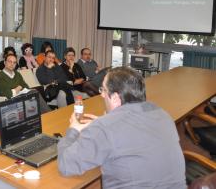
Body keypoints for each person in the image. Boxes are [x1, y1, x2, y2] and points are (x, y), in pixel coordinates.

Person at [57, 67, 186, 189]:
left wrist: (73, 129)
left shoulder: (105, 127)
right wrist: (102, 126)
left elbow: (66, 165)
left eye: (103, 90)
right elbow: (131, 134)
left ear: (115, 98)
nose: (101, 95)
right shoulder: (162, 114)